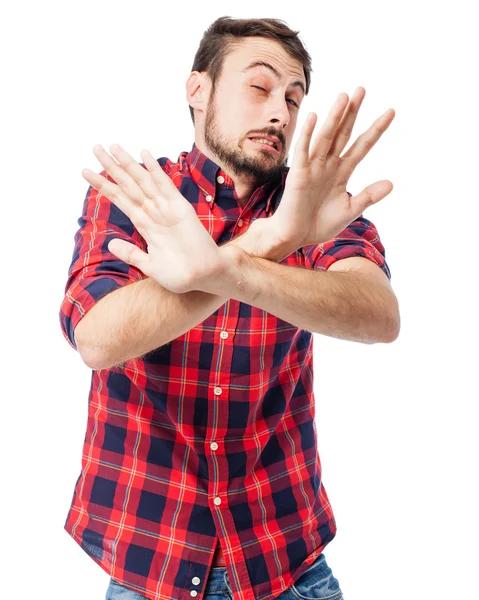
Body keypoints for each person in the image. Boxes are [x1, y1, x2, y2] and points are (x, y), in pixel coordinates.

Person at [59, 15, 399, 600]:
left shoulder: (312, 206)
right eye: (260, 87)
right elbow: (97, 337)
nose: (281, 113)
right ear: (198, 90)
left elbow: (378, 315)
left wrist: (228, 265)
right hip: (148, 565)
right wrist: (269, 242)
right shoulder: (138, 196)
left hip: (286, 569)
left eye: (294, 98)